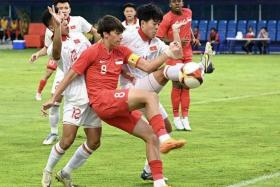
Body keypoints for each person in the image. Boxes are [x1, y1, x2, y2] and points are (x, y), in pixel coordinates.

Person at [42, 14, 188, 187]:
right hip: (100, 100)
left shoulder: (123, 51)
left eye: (121, 33)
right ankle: (166, 139)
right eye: (117, 33)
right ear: (105, 34)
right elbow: (70, 75)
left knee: (150, 136)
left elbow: (147, 66)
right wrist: (54, 97)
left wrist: (168, 53)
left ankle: (159, 182)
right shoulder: (92, 52)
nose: (121, 37)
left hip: (112, 104)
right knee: (150, 96)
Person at [40, 7, 102, 187]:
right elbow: (58, 53)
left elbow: (94, 54)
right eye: (58, 22)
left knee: (94, 141)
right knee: (67, 140)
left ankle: (65, 172)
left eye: (65, 20)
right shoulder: (54, 47)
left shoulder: (79, 37)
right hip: (75, 96)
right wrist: (59, 28)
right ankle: (48, 170)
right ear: (52, 28)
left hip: (93, 93)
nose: (65, 22)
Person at [29, 0, 100, 145]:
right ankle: (54, 132)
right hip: (65, 70)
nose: (63, 11)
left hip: (84, 72)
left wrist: (98, 45)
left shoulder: (78, 23)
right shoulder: (52, 30)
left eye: (65, 8)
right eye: (60, 9)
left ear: (69, 9)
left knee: (91, 103)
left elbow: (94, 35)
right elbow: (52, 50)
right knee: (55, 102)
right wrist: (38, 53)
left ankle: (87, 133)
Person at [156, 0, 200, 131]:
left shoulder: (188, 12)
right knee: (177, 84)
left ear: (182, 3)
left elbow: (189, 25)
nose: (177, 4)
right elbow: (159, 37)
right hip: (174, 55)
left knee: (187, 84)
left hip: (188, 53)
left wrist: (193, 37)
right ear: (170, 4)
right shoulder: (167, 18)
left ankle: (185, 117)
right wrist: (177, 41)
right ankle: (176, 117)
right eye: (174, 2)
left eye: (179, 1)